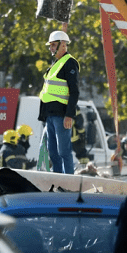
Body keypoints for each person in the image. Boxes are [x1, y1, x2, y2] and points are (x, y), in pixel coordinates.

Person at [38, 30, 80, 174]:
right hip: (50, 115)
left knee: (64, 152)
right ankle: (57, 181)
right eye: (50, 45)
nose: (51, 48)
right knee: (53, 153)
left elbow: (74, 91)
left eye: (53, 45)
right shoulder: (56, 63)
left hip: (62, 115)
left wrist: (69, 115)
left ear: (63, 45)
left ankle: (68, 183)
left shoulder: (70, 63)